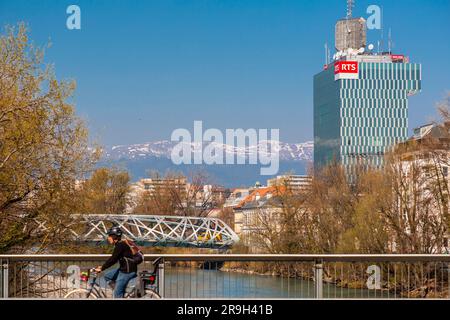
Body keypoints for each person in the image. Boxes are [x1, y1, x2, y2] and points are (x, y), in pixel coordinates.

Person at [95, 226, 137, 298]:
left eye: (109, 236)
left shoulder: (120, 245)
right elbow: (113, 259)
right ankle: (119, 290)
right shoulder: (119, 245)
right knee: (107, 276)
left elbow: (113, 259)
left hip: (127, 272)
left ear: (114, 237)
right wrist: (102, 267)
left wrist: (102, 268)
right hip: (123, 269)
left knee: (117, 295)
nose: (108, 238)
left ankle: (118, 293)